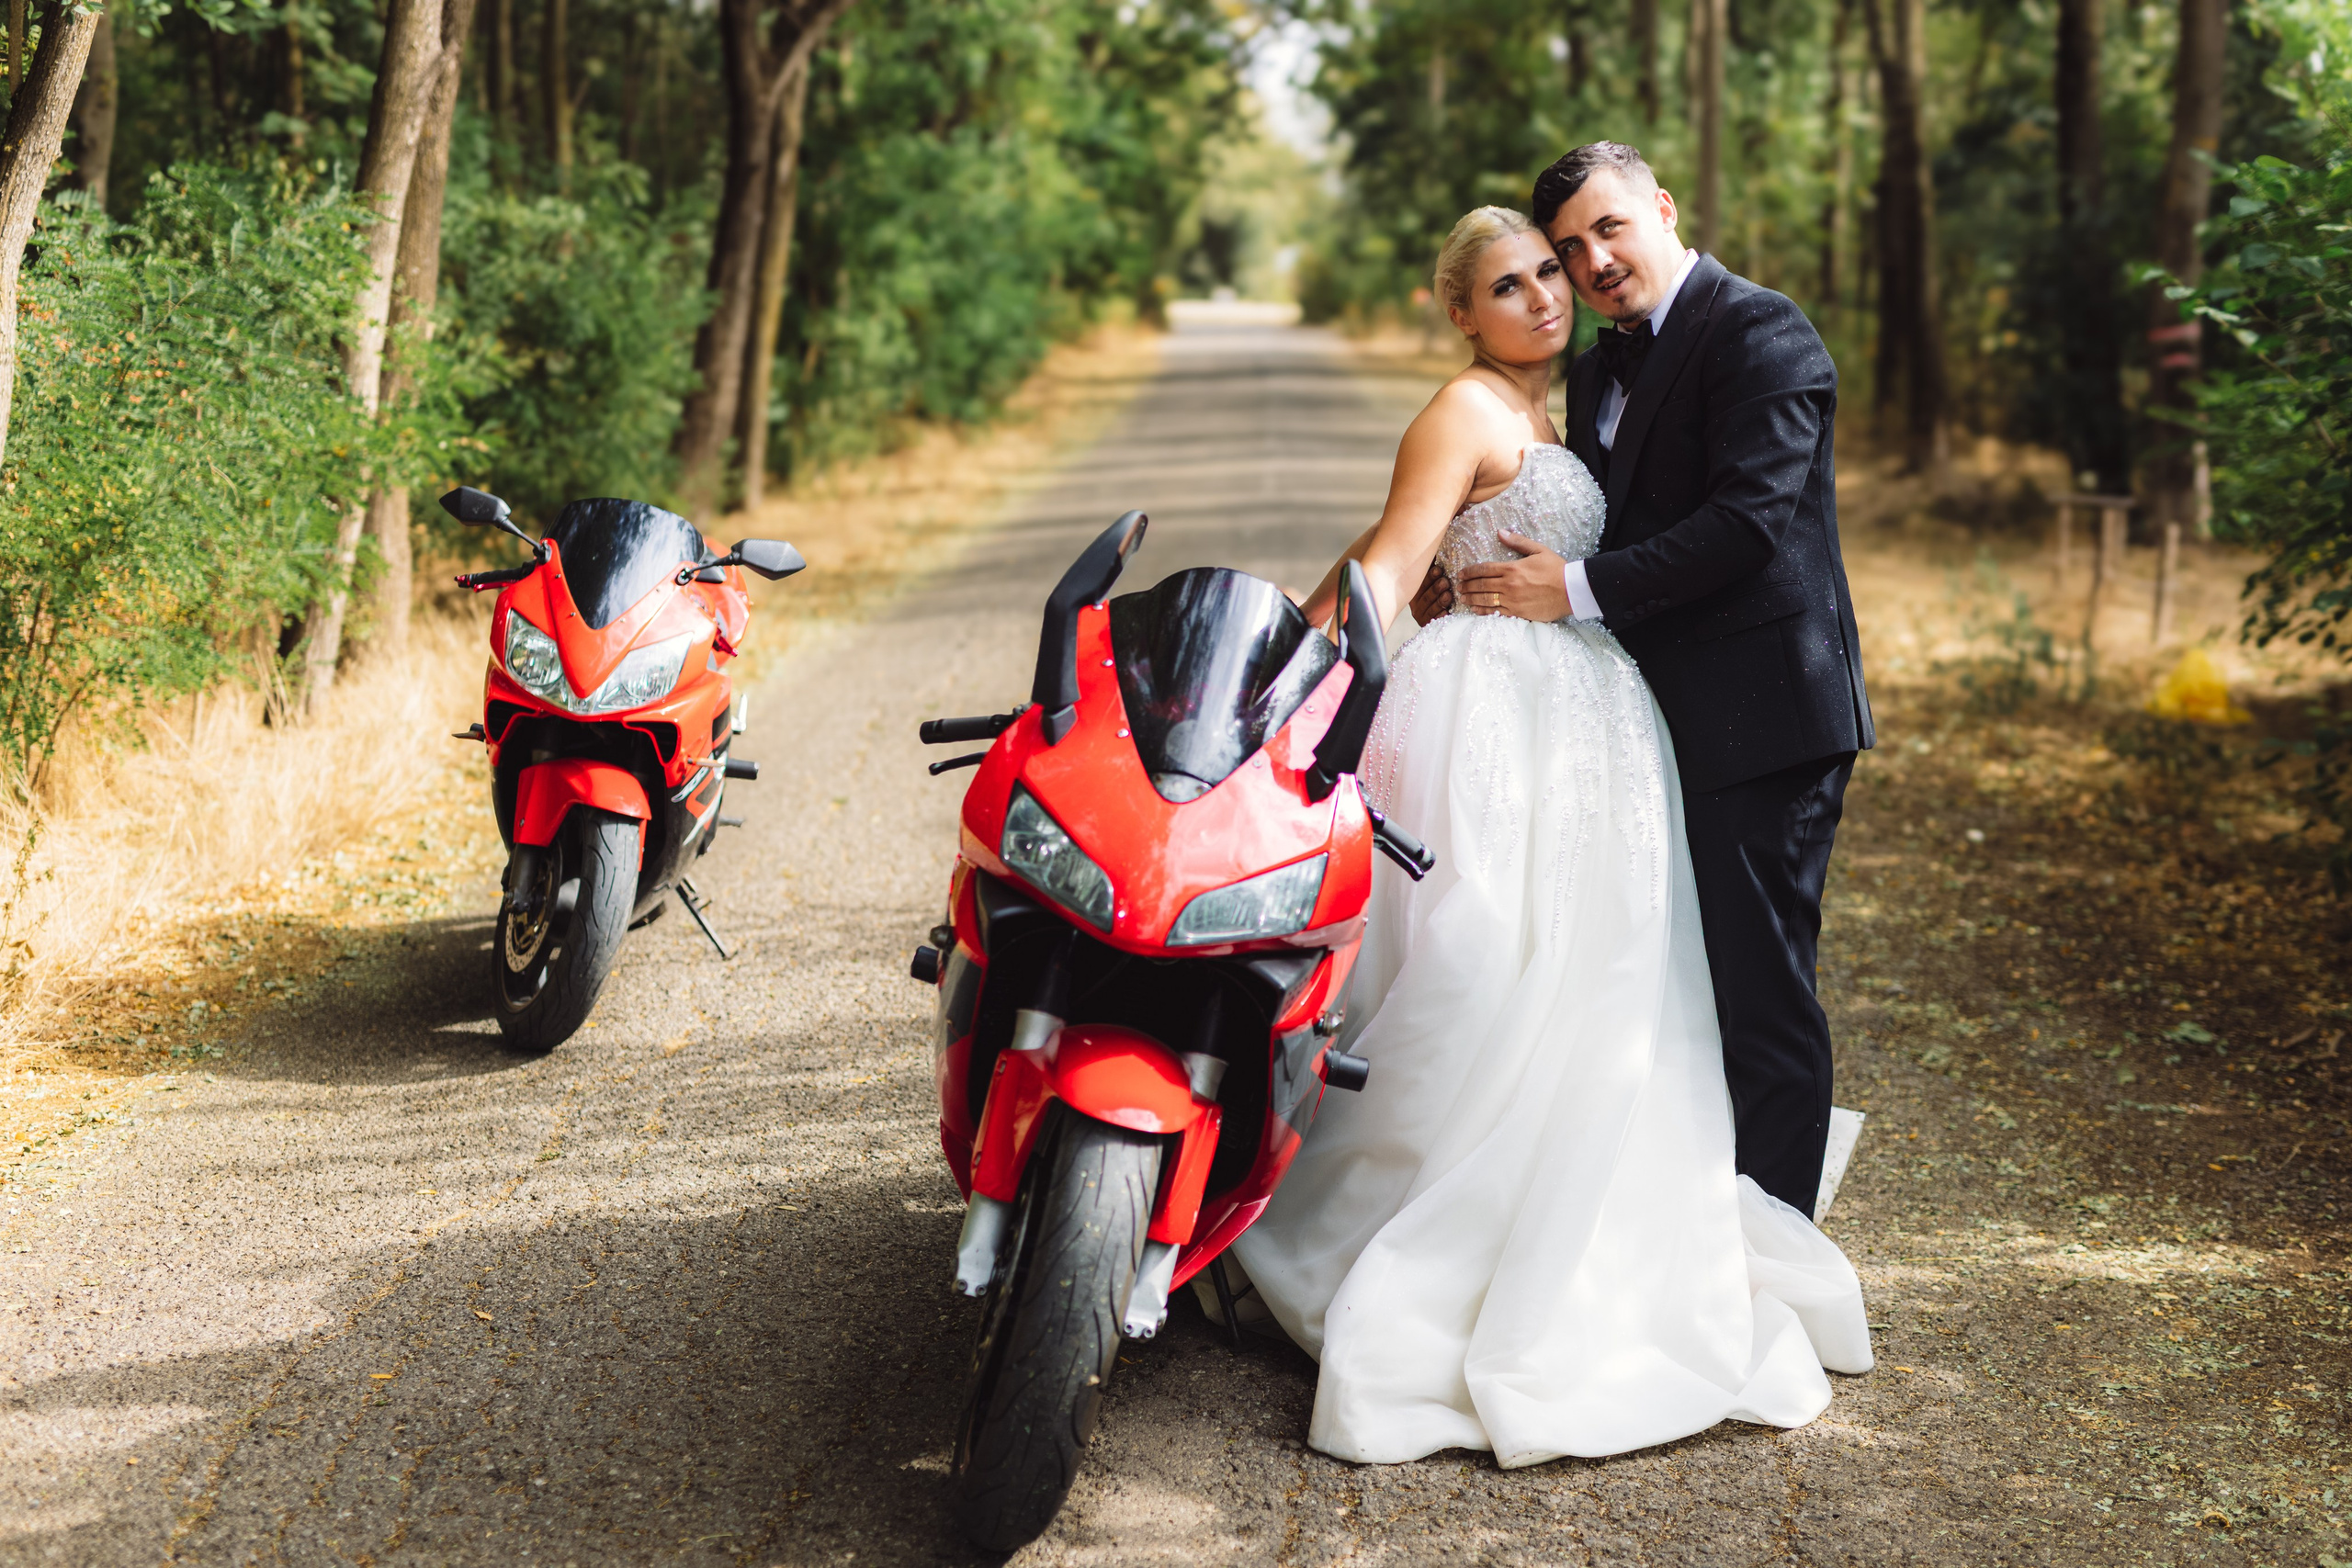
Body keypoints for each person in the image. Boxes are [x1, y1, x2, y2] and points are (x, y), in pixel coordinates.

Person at [1228, 194, 1870, 1469]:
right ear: (1459, 311)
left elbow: (1724, 523)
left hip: (1603, 715)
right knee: (1473, 958)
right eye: (1519, 278)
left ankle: (1667, 1223)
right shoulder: (1471, 405)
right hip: (1494, 711)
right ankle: (1400, 1212)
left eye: (1558, 267)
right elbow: (1395, 561)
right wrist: (1282, 680)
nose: (1553, 289)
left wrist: (1558, 591)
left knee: (1615, 983)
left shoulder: (1587, 390)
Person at [1429, 141, 1873, 1219]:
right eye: (1570, 249)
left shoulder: (1762, 330)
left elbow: (1745, 528)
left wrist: (1570, 590)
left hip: (1767, 715)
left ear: (1663, 207)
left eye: (1609, 228)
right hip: (1650, 722)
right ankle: (1685, 1220)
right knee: (1673, 983)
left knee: (1761, 990)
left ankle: (1776, 1247)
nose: (1593, 261)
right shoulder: (1598, 368)